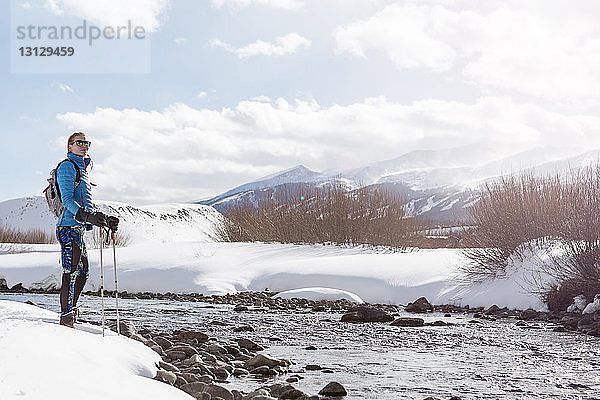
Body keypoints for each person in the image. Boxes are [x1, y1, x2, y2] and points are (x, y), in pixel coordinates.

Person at [56, 132, 119, 327]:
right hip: (67, 227)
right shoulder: (67, 166)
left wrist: (103, 219)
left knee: (83, 273)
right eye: (79, 143)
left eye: (87, 143)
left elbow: (86, 203)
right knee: (72, 272)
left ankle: (71, 311)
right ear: (70, 147)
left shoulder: (83, 171)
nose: (84, 146)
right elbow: (67, 200)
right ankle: (66, 317)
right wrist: (85, 216)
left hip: (78, 229)